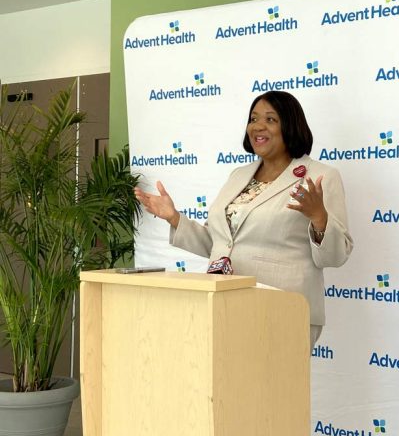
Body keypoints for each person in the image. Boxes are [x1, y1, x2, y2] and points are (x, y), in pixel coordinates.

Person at [135, 91, 353, 348]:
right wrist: (174, 218)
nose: (258, 126)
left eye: (271, 120)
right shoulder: (239, 176)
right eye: (253, 118)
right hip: (228, 302)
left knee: (272, 388)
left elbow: (335, 256)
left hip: (282, 309)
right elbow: (219, 245)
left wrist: (319, 217)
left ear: (291, 127)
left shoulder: (321, 176)